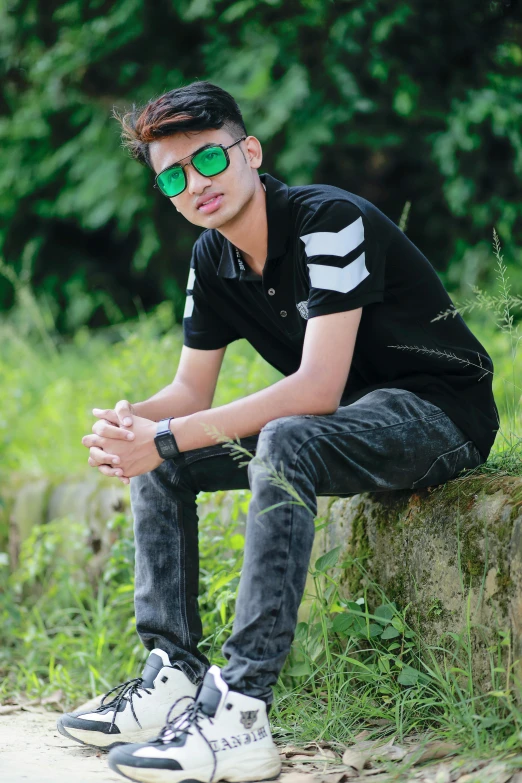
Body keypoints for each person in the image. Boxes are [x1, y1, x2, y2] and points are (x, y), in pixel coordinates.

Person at [57, 81, 498, 782]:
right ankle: (173, 671)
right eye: (172, 175)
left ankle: (241, 712)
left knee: (281, 435)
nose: (195, 183)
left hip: (437, 415)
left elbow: (317, 387)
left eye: (207, 160)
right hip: (341, 425)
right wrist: (135, 424)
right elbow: (188, 391)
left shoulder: (329, 220)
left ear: (250, 152)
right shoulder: (214, 258)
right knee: (167, 456)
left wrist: (168, 432)